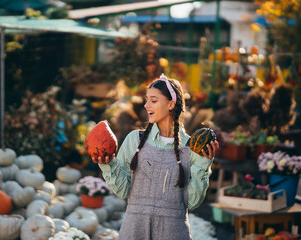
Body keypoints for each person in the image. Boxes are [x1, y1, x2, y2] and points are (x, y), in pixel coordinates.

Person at [92, 74, 219, 240]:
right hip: (134, 229)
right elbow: (123, 192)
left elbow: (192, 202)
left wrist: (203, 162)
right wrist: (109, 164)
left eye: (153, 100)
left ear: (171, 104)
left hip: (173, 231)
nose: (146, 105)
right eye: (146, 100)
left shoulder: (192, 148)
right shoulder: (134, 140)